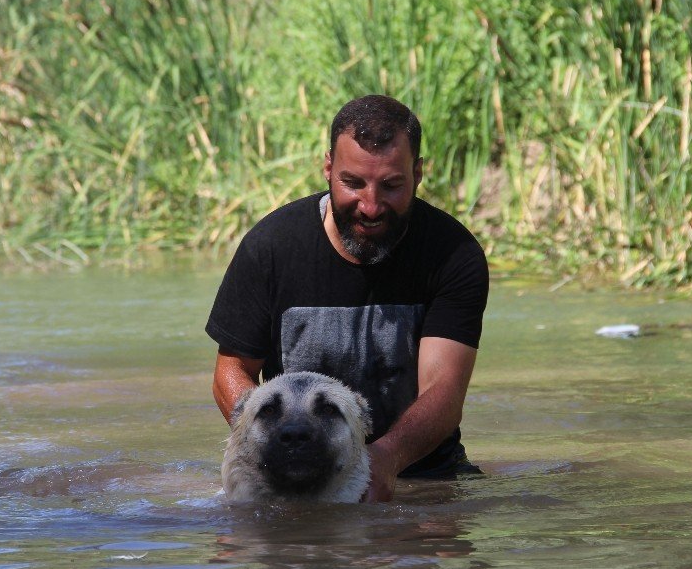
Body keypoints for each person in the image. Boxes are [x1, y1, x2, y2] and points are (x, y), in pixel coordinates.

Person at [206, 95, 489, 502]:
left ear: (419, 173)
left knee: (437, 563)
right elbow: (228, 375)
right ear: (327, 168)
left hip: (420, 476)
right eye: (352, 183)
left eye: (391, 185)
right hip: (287, 466)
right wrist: (265, 453)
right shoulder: (270, 248)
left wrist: (385, 460)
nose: (370, 206)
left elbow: (444, 392)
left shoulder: (453, 254)